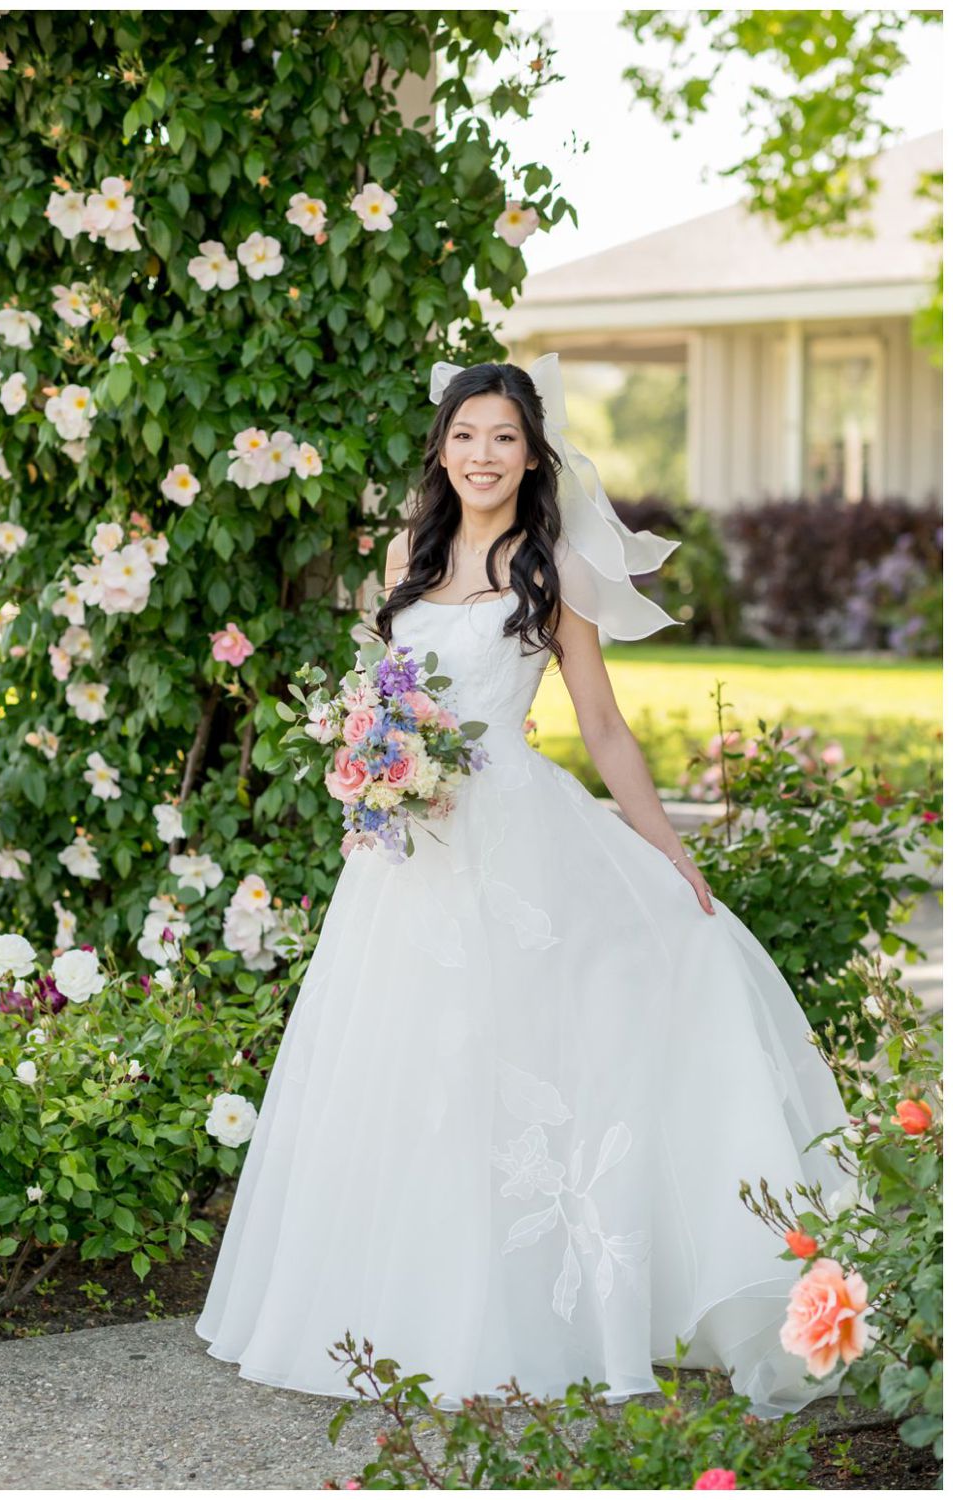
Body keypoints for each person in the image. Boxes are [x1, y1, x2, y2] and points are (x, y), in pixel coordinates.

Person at [194, 354, 851, 1416]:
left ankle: (527, 1316)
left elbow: (599, 723)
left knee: (514, 1055)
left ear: (532, 453)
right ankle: (388, 1303)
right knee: (404, 1059)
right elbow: (384, 693)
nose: (481, 456)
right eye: (464, 436)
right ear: (441, 449)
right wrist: (368, 753)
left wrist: (668, 850)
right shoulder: (411, 559)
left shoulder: (556, 571)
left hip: (515, 840)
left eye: (502, 438)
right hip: (404, 853)